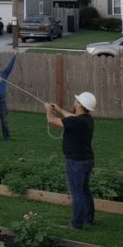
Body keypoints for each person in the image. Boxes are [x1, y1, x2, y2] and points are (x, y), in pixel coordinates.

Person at [45, 92, 97, 230]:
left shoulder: (76, 121)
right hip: (87, 160)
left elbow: (52, 120)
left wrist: (48, 109)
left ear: (80, 105)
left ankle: (76, 224)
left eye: (77, 101)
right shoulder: (87, 119)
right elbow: (72, 116)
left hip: (75, 162)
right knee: (85, 190)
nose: (75, 103)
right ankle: (88, 218)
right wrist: (60, 110)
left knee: (76, 193)